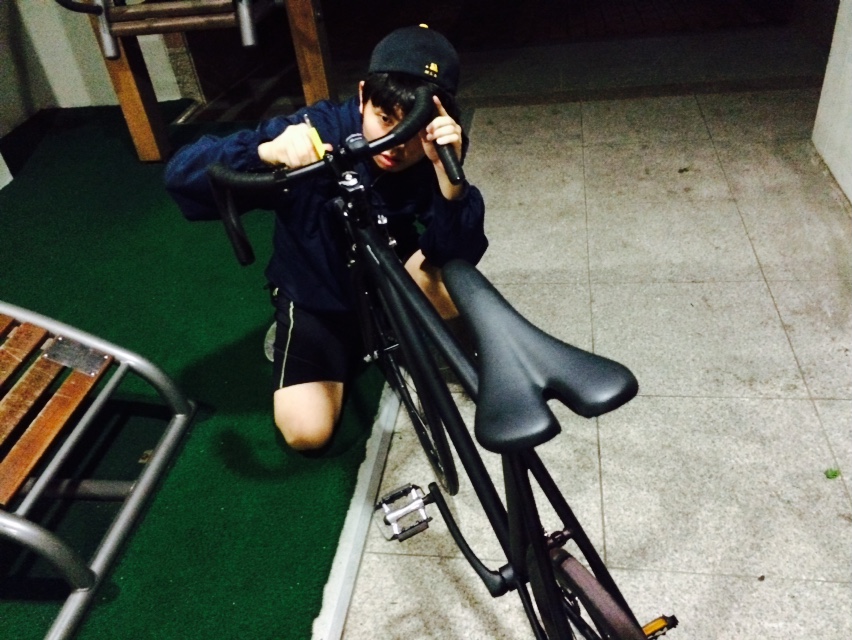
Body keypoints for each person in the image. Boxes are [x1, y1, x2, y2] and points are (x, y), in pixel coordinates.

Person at [165, 25, 487, 451]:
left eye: (412, 129)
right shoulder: (315, 128)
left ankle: (389, 329)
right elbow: (181, 174)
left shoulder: (433, 148)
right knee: (305, 433)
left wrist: (452, 186)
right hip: (317, 295)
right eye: (385, 119)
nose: (395, 145)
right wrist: (265, 153)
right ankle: (337, 340)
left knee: (452, 285)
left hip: (389, 277)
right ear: (362, 96)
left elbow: (462, 254)